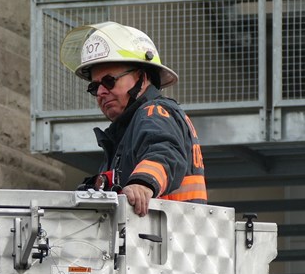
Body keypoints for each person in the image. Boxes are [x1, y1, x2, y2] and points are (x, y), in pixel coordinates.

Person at [58, 21, 207, 216]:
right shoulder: (126, 133)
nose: (101, 92)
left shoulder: (154, 112)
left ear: (142, 78)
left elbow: (164, 151)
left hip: (166, 232)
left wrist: (143, 183)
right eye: (94, 87)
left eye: (109, 81)